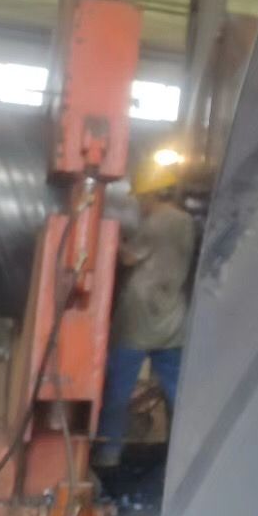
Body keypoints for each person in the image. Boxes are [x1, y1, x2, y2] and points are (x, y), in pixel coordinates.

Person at [94, 156, 196, 468]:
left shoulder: (156, 222)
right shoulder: (187, 222)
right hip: (172, 319)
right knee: (179, 392)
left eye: (140, 198)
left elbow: (128, 258)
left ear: (150, 194)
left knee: (118, 389)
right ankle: (187, 458)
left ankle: (109, 453)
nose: (139, 205)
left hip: (139, 320)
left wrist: (112, 239)